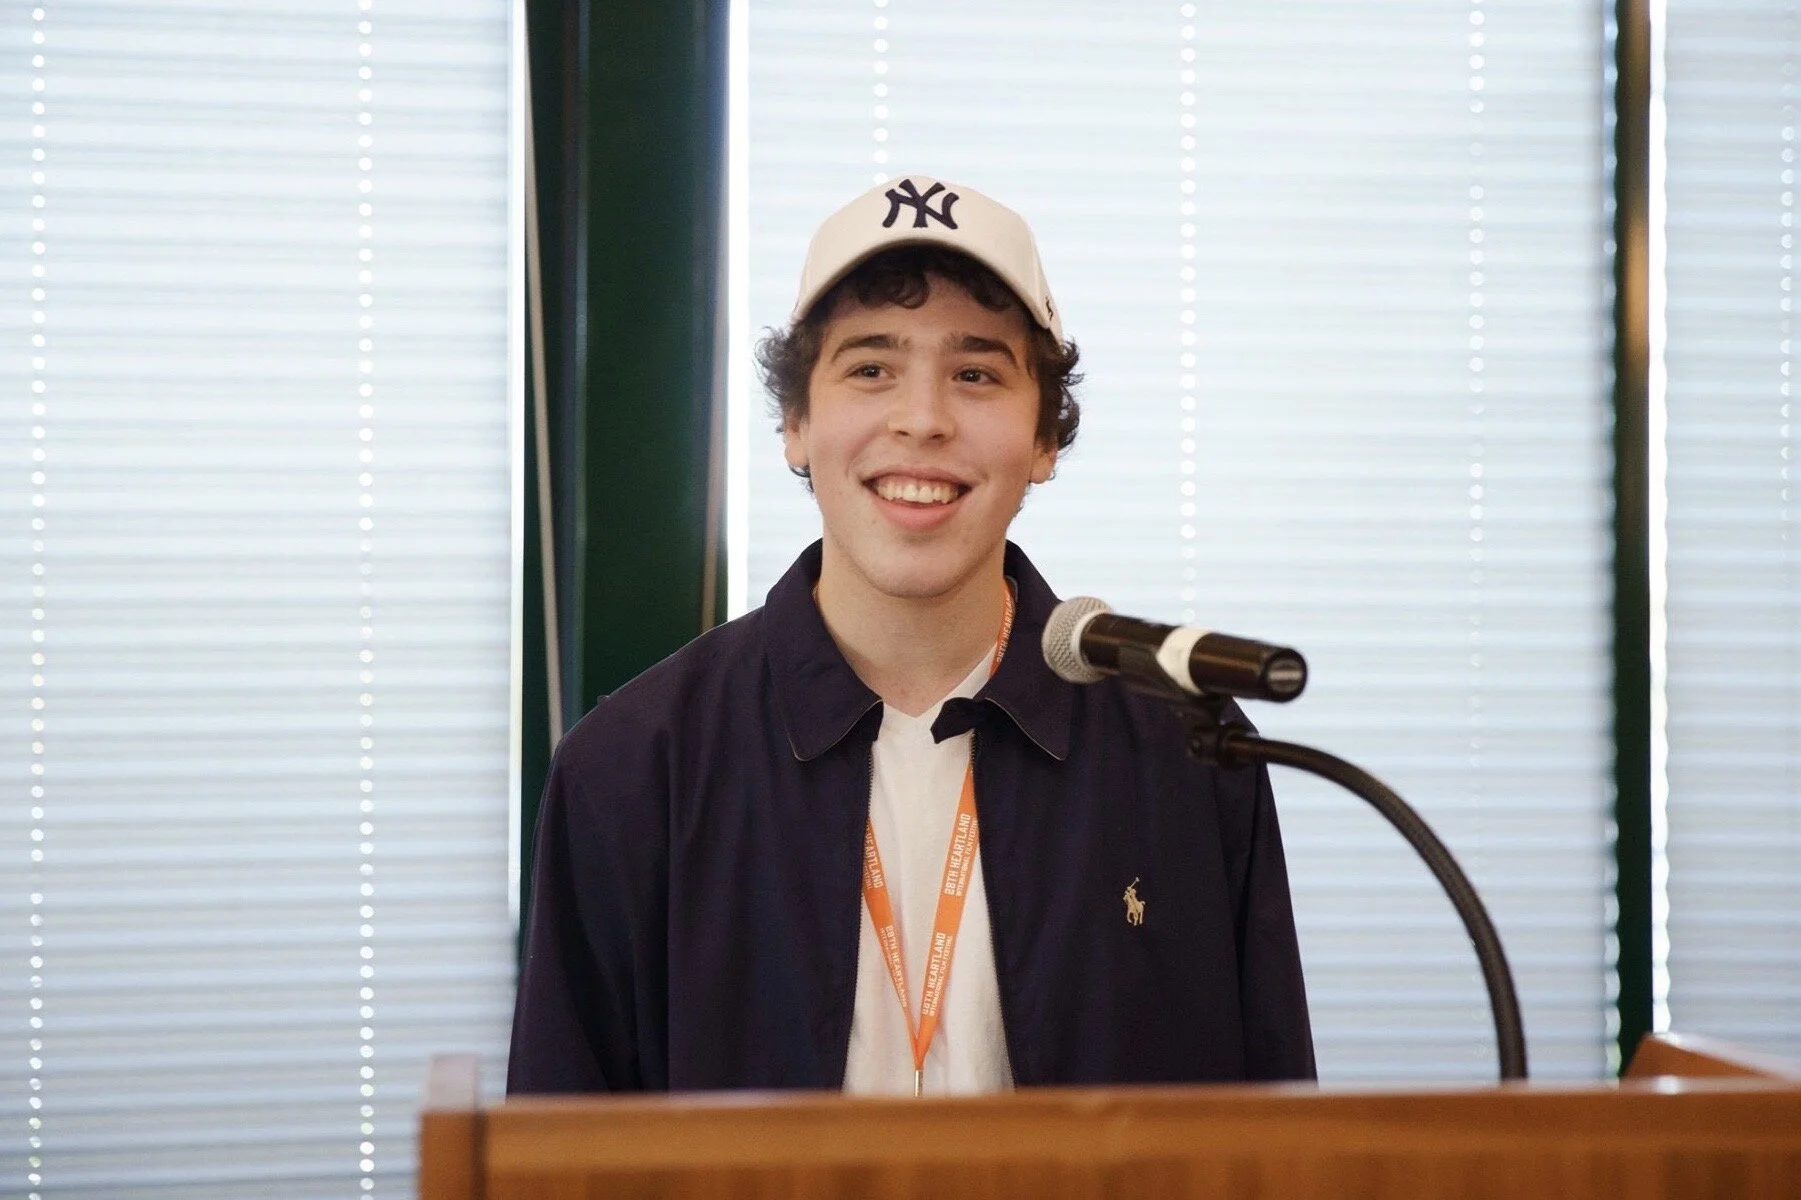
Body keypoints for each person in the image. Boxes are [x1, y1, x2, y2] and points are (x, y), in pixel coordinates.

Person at [507, 175, 1315, 1094]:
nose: (922, 419)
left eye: (975, 373)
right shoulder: (631, 767)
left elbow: (1269, 1132)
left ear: (1045, 438)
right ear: (796, 426)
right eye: (869, 368)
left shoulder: (1185, 750)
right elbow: (559, 1147)